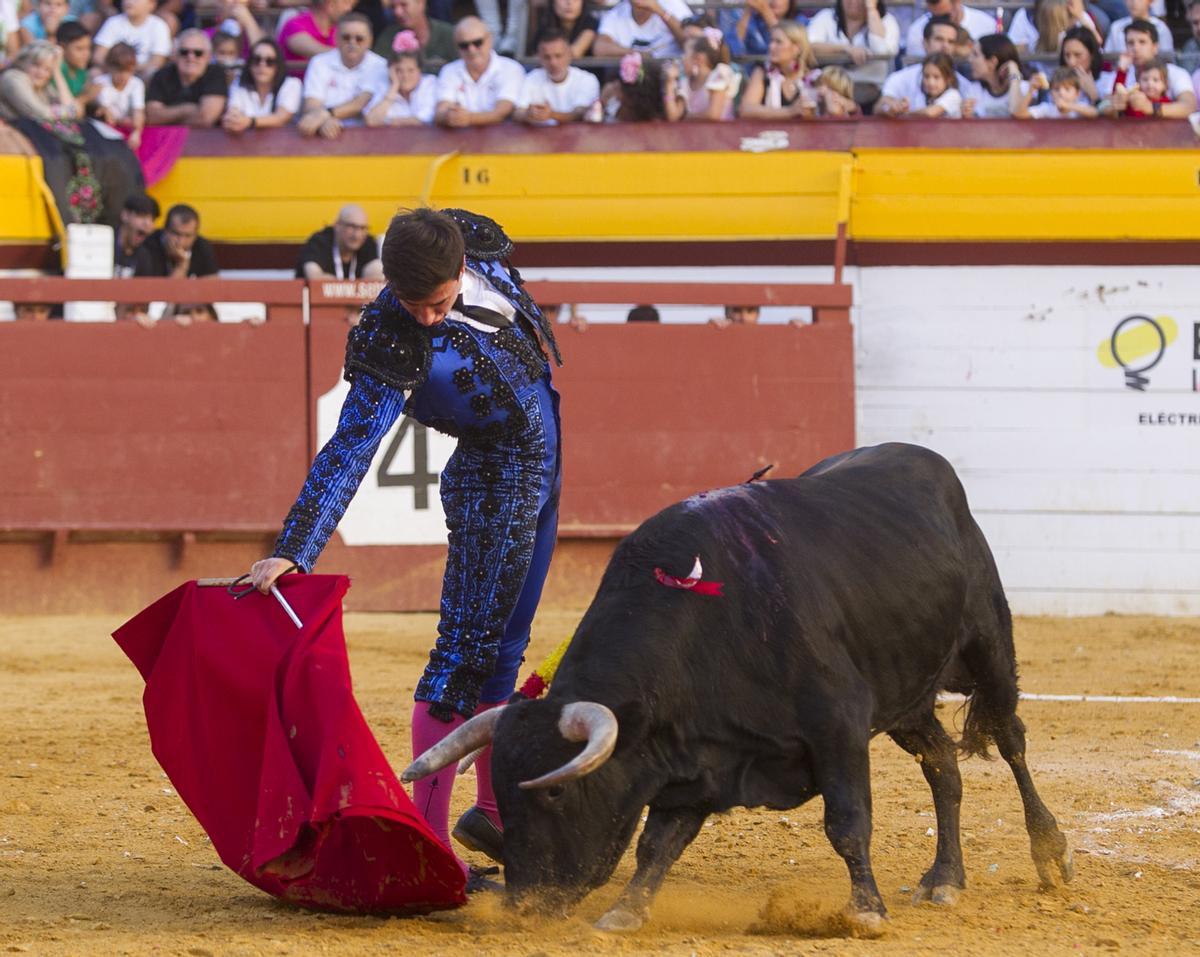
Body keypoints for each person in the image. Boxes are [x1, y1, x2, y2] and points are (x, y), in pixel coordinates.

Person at [249, 207, 564, 881]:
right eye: (412, 304)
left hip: (544, 469)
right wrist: (297, 546)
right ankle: (427, 846)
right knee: (462, 661)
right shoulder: (388, 341)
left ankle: (494, 818)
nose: (425, 318)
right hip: (492, 479)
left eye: (438, 303)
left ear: (460, 270)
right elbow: (350, 449)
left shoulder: (475, 242)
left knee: (507, 649)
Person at [298, 12, 387, 137]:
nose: (352, 43)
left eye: (359, 39)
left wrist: (325, 114)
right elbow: (311, 103)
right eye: (346, 37)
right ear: (336, 39)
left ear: (370, 41)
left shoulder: (380, 65)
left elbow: (360, 103)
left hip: (365, 136)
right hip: (323, 134)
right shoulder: (319, 62)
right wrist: (324, 120)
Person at [434, 16, 525, 128]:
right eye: (464, 45)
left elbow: (502, 112)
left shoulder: (511, 69)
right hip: (459, 140)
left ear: (490, 40)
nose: (471, 50)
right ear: (457, 47)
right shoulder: (449, 71)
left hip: (501, 140)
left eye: (477, 43)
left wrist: (468, 118)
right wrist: (448, 116)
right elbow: (440, 111)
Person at [1097, 20, 1197, 116]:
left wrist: (1150, 107)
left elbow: (1189, 106)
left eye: (1142, 42)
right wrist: (1114, 106)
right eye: (1130, 43)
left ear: (1155, 47)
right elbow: (1101, 108)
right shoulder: (1119, 74)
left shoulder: (1175, 73)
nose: (1136, 48)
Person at [805, 0, 899, 101]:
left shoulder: (887, 20)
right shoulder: (826, 16)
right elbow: (808, 45)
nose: (854, 1)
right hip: (831, 88)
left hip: (872, 90)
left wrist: (871, 9)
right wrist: (846, 49)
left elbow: (881, 50)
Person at [876, 14, 967, 115]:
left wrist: (905, 114)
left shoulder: (964, 84)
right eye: (939, 39)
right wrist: (892, 108)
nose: (945, 46)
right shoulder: (900, 78)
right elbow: (880, 107)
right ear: (925, 43)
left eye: (951, 42)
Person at [513, 27, 598, 124]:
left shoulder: (587, 79)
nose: (553, 62)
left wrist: (551, 114)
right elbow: (518, 113)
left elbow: (580, 113)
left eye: (558, 56)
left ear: (569, 55)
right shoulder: (532, 78)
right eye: (547, 57)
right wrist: (528, 114)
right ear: (539, 58)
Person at [737, 19, 818, 119]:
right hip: (769, 133)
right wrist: (789, 112)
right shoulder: (762, 72)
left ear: (797, 48)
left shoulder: (814, 76)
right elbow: (746, 109)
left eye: (778, 42)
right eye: (771, 41)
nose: (771, 46)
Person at [145, 30, 230, 126]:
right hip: (168, 138)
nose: (191, 57)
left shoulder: (216, 73)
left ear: (208, 57)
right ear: (175, 55)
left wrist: (168, 116)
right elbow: (152, 117)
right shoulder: (162, 75)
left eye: (198, 53)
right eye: (184, 52)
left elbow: (206, 118)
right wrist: (186, 110)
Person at [223, 37, 303, 131]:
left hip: (284, 144)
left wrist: (250, 122)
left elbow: (282, 118)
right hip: (246, 143)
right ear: (250, 63)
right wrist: (233, 119)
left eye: (270, 61)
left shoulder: (291, 84)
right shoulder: (239, 82)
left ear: (278, 65)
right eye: (257, 60)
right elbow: (233, 110)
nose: (262, 65)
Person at [663, 27, 739, 120]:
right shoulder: (685, 82)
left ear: (698, 59)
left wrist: (686, 117)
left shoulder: (719, 74)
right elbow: (674, 117)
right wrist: (669, 83)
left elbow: (713, 115)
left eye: (685, 54)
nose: (682, 58)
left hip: (721, 132)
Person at [295, 205, 383, 279]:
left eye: (363, 228)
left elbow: (377, 275)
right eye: (352, 227)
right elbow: (313, 276)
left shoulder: (368, 242)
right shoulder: (319, 241)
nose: (357, 235)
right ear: (337, 225)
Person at [0, 40, 80, 122]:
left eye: (47, 69)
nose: (41, 73)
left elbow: (71, 108)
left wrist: (57, 72)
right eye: (36, 65)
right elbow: (40, 113)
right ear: (25, 62)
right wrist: (70, 111)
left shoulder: (44, 85)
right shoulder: (13, 78)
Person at [365, 35, 437, 124]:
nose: (405, 76)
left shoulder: (430, 84)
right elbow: (371, 121)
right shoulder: (385, 87)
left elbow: (426, 118)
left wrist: (392, 122)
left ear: (420, 70)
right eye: (399, 70)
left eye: (411, 70)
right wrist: (394, 87)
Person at [963, 33, 1039, 117]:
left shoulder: (1026, 89)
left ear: (992, 62)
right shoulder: (974, 89)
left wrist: (1014, 74)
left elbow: (1015, 111)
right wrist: (966, 115)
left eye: (975, 55)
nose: (970, 60)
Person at [592, 0, 693, 60]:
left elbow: (691, 41)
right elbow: (600, 48)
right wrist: (636, 54)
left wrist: (660, 11)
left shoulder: (672, 4)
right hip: (634, 82)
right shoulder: (617, 13)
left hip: (672, 76)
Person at [92, 0, 171, 75]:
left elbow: (157, 62)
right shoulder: (113, 22)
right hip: (113, 72)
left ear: (151, 4)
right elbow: (98, 56)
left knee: (152, 73)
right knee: (94, 72)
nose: (129, 2)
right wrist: (117, 70)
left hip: (141, 73)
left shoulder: (159, 26)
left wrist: (128, 70)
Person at [277, 0, 355, 74]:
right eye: (345, 2)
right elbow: (319, 51)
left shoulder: (337, 30)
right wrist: (354, 53)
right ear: (330, 4)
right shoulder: (295, 25)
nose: (349, 9)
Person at [374, 0, 456, 67]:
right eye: (393, 7)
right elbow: (377, 69)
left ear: (421, 3)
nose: (397, 12)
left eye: (404, 5)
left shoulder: (448, 34)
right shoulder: (388, 36)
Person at [94, 42, 146, 149]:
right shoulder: (100, 83)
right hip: (107, 129)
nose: (123, 76)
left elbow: (138, 111)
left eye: (127, 71)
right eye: (119, 71)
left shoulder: (136, 84)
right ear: (109, 67)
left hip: (128, 127)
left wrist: (136, 132)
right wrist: (122, 121)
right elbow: (108, 116)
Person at [904, 0, 995, 55]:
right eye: (934, 17)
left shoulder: (986, 23)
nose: (941, 22)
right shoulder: (916, 30)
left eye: (945, 15)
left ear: (957, 2)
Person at [720, 0, 794, 58]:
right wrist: (748, 10)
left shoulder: (799, 21)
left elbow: (792, 49)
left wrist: (766, 12)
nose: (774, 0)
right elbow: (731, 50)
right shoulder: (753, 19)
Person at [1016, 62, 1098, 114]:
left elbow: (1094, 112)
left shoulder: (1080, 107)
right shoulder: (1047, 109)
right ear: (1050, 93)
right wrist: (1031, 91)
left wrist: (1068, 106)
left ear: (1077, 93)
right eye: (1056, 89)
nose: (1061, 93)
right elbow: (1020, 114)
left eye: (1067, 89)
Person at [530, 0, 598, 58]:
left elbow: (575, 53)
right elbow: (537, 55)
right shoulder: (545, 24)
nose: (569, 3)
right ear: (553, 2)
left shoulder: (590, 22)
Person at [114, 190, 159, 277]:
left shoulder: (145, 255)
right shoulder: (104, 244)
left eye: (152, 220)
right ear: (125, 215)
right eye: (142, 216)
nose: (148, 224)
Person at [1103, 0, 1172, 53]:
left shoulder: (1160, 28)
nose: (1134, 2)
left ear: (1150, 1)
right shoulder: (1116, 27)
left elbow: (1166, 59)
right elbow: (1108, 57)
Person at [1058, 24, 1103, 103]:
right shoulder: (1057, 85)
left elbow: (1111, 114)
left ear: (1092, 55)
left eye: (1077, 55)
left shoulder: (1107, 81)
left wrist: (1094, 95)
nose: (1071, 62)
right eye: (1067, 55)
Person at [911, 50, 962, 115]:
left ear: (948, 78)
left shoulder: (953, 95)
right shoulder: (923, 96)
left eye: (936, 77)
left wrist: (905, 114)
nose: (931, 82)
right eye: (926, 76)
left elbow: (930, 113)